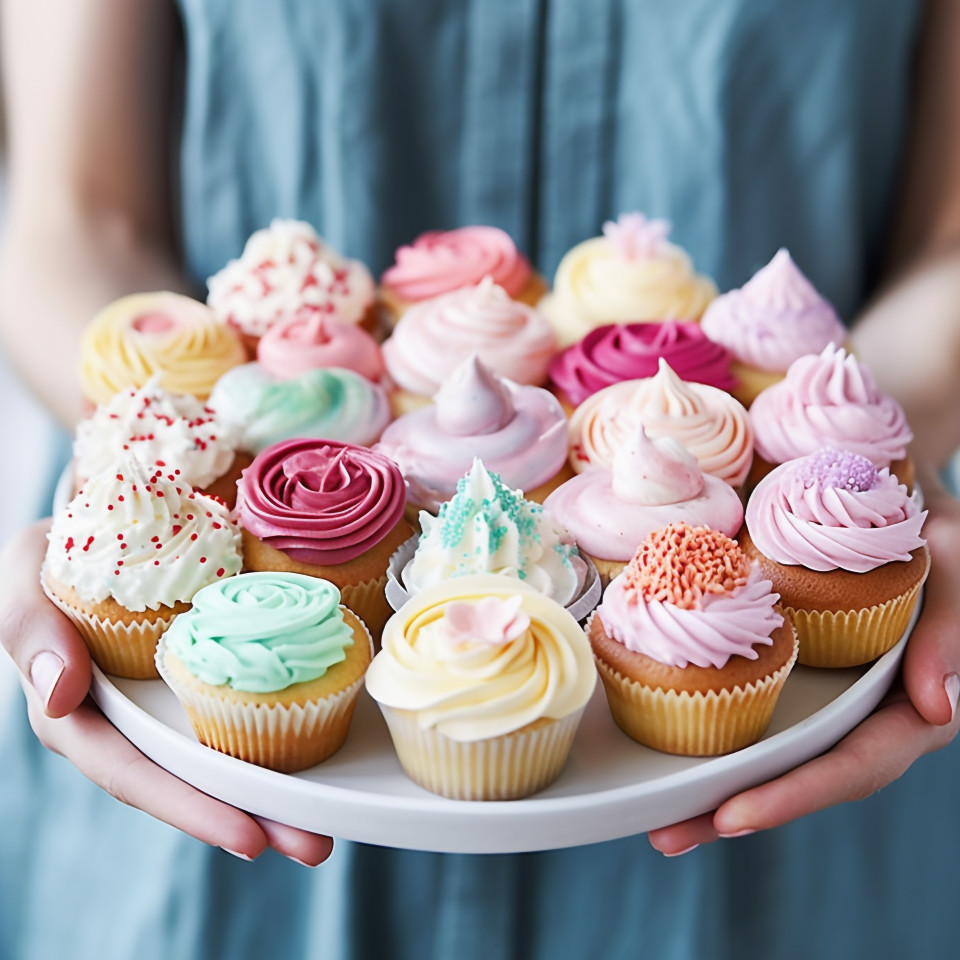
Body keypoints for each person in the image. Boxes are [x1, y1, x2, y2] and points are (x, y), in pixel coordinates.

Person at [1, 0, 960, 956]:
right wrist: (130, 466)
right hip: (217, 852)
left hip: (778, 860)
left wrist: (873, 441)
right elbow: (77, 218)